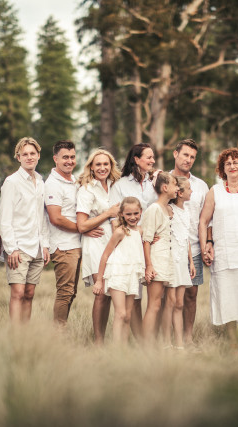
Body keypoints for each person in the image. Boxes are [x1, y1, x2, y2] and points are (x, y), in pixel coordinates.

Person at [199, 148, 238, 350]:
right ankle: (233, 342)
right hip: (224, 251)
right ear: (222, 168)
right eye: (228, 163)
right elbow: (204, 221)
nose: (232, 166)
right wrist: (206, 245)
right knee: (226, 296)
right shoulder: (215, 191)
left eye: (236, 162)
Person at [0, 137, 50, 323]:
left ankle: (25, 335)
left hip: (37, 247)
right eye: (25, 154)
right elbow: (4, 218)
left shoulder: (41, 182)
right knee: (18, 293)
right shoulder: (12, 182)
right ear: (18, 157)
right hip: (19, 247)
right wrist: (11, 248)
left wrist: (45, 245)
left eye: (32, 153)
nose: (29, 157)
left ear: (38, 155)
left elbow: (42, 216)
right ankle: (15, 335)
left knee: (29, 294)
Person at [109, 143, 157, 338]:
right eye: (149, 157)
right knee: (134, 296)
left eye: (153, 157)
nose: (153, 160)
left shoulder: (154, 183)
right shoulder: (120, 185)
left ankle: (149, 338)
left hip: (152, 243)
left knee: (154, 294)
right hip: (129, 245)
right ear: (137, 159)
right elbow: (114, 219)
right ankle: (137, 340)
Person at [76, 149, 121, 344]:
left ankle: (102, 337)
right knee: (101, 292)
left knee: (110, 293)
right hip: (95, 243)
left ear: (111, 166)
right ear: (91, 168)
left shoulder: (115, 186)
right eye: (98, 164)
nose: (102, 168)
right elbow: (82, 225)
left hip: (114, 244)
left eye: (106, 164)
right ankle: (98, 341)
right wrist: (108, 214)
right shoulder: (87, 189)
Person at [169, 139, 209, 346]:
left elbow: (206, 219)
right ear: (175, 154)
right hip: (169, 248)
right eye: (185, 155)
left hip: (193, 248)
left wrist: (207, 243)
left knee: (191, 294)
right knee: (168, 297)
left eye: (192, 157)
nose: (188, 160)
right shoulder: (163, 180)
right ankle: (167, 339)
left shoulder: (200, 186)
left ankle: (187, 338)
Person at [93, 197, 145, 345]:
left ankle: (123, 348)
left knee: (128, 315)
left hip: (132, 274)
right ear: (121, 214)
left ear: (141, 212)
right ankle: (116, 349)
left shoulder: (140, 231)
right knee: (120, 313)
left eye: (136, 213)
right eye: (128, 214)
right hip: (118, 273)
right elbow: (105, 255)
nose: (133, 217)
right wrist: (99, 280)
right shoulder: (120, 232)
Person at [45, 140, 81, 325]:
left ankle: (61, 328)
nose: (69, 161)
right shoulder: (53, 184)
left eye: (72, 157)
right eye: (65, 157)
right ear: (55, 159)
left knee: (72, 292)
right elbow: (56, 218)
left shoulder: (74, 181)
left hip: (76, 243)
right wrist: (83, 228)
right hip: (63, 246)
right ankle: (58, 333)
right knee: (65, 292)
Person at [141, 172, 179, 343]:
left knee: (167, 302)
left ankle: (162, 343)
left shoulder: (168, 209)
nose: (177, 188)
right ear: (165, 188)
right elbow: (147, 240)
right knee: (154, 304)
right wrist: (149, 266)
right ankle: (146, 345)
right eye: (174, 184)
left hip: (167, 260)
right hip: (156, 260)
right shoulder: (154, 209)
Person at [164, 175, 195, 349]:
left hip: (183, 260)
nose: (192, 191)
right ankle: (167, 343)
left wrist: (191, 261)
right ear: (180, 193)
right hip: (171, 260)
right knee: (170, 302)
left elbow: (186, 238)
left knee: (180, 303)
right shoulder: (169, 209)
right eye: (189, 188)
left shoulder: (186, 211)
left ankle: (179, 344)